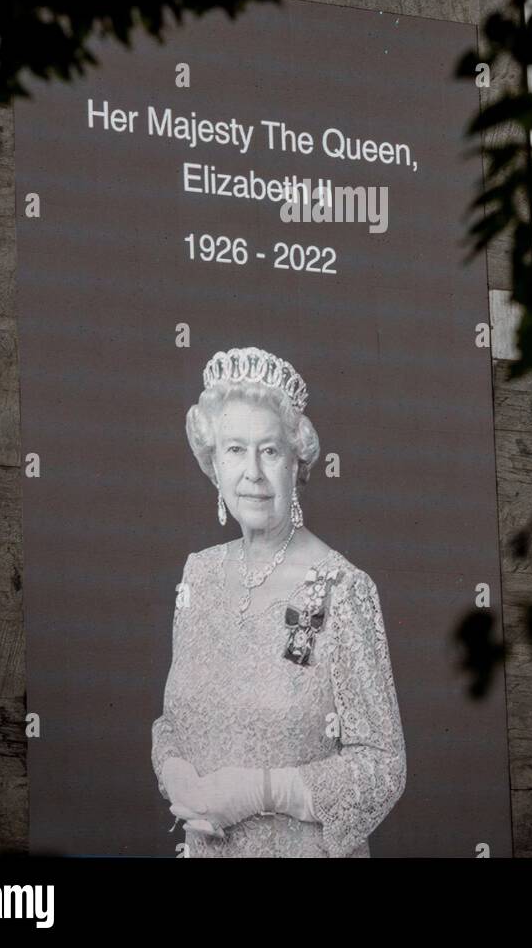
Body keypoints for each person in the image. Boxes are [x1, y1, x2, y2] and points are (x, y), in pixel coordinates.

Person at [152, 346, 406, 858]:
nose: (252, 473)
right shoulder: (197, 575)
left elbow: (383, 766)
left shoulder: (342, 588)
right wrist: (172, 771)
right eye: (234, 450)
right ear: (213, 464)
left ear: (297, 461)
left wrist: (260, 793)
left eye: (269, 451)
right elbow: (171, 724)